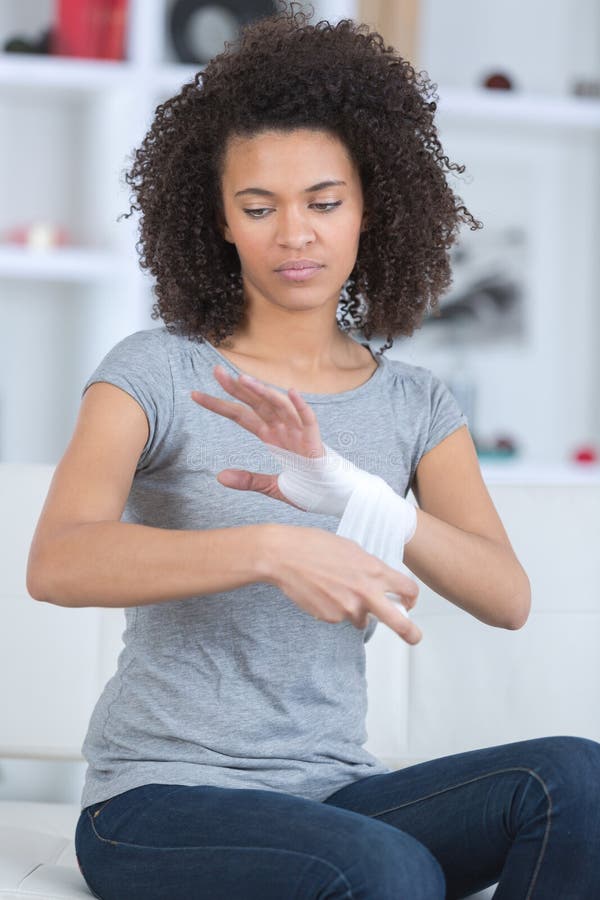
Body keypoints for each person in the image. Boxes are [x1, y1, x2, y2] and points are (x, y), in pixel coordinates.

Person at [26, 4, 600, 898]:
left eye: (323, 202)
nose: (294, 233)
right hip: (156, 803)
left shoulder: (414, 403)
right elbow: (57, 561)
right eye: (259, 207)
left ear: (371, 205)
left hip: (332, 794)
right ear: (217, 220)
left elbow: (506, 596)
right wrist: (272, 546)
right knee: (388, 870)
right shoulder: (156, 371)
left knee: (575, 780)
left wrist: (352, 496)